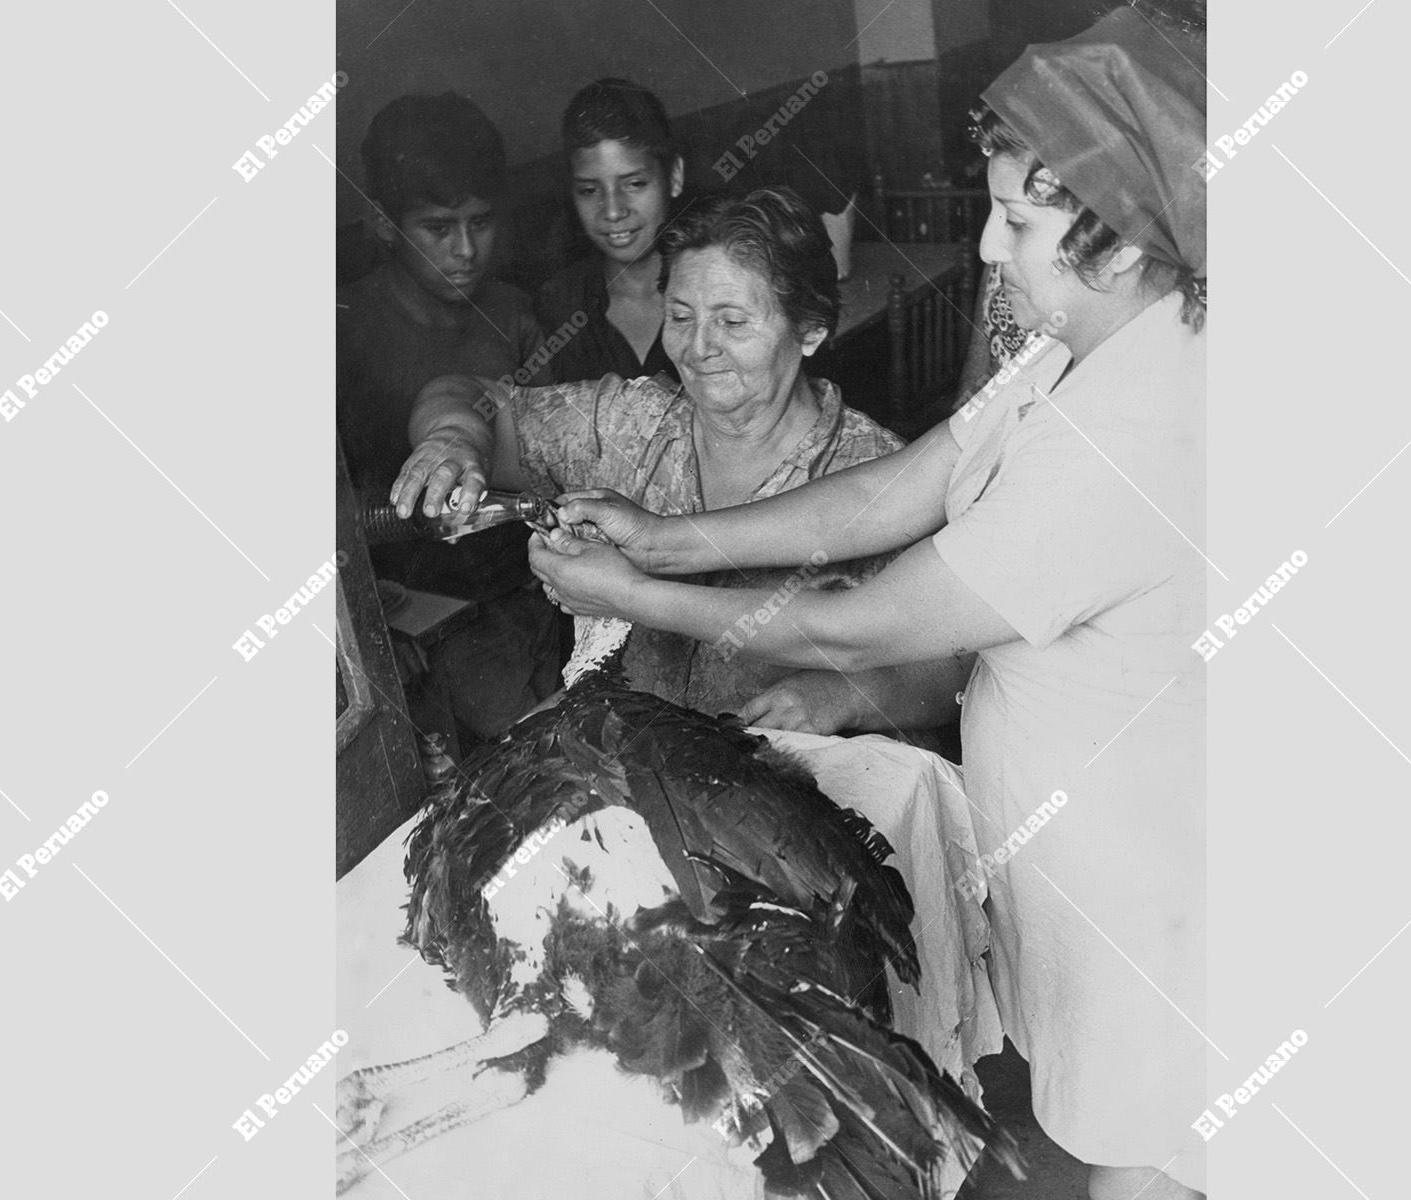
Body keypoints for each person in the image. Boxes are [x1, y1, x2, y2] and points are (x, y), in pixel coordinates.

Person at [523, 9, 1208, 1197]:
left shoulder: (1144, 429)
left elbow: (863, 621)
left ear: (1129, 237)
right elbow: (908, 484)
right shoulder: (1079, 346)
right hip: (1087, 863)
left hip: (1145, 872)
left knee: (1148, 1155)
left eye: (1023, 221)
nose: (989, 247)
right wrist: (670, 538)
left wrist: (631, 590)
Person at [389, 186, 973, 738]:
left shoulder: (880, 472)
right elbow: (469, 395)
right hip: (631, 770)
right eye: (681, 316)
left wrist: (844, 695)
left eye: (733, 321)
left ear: (811, 331)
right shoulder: (628, 421)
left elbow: (957, 670)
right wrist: (451, 439)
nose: (698, 348)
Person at [338, 90, 562, 743]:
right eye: (439, 228)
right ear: (382, 222)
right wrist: (374, 631)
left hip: (526, 598)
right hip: (399, 623)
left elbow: (553, 466)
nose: (466, 250)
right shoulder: (343, 331)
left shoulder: (516, 315)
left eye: (481, 222)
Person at [534, 78, 684, 384]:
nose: (613, 211)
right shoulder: (557, 307)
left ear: (674, 177)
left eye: (635, 184)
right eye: (590, 190)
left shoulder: (717, 287)